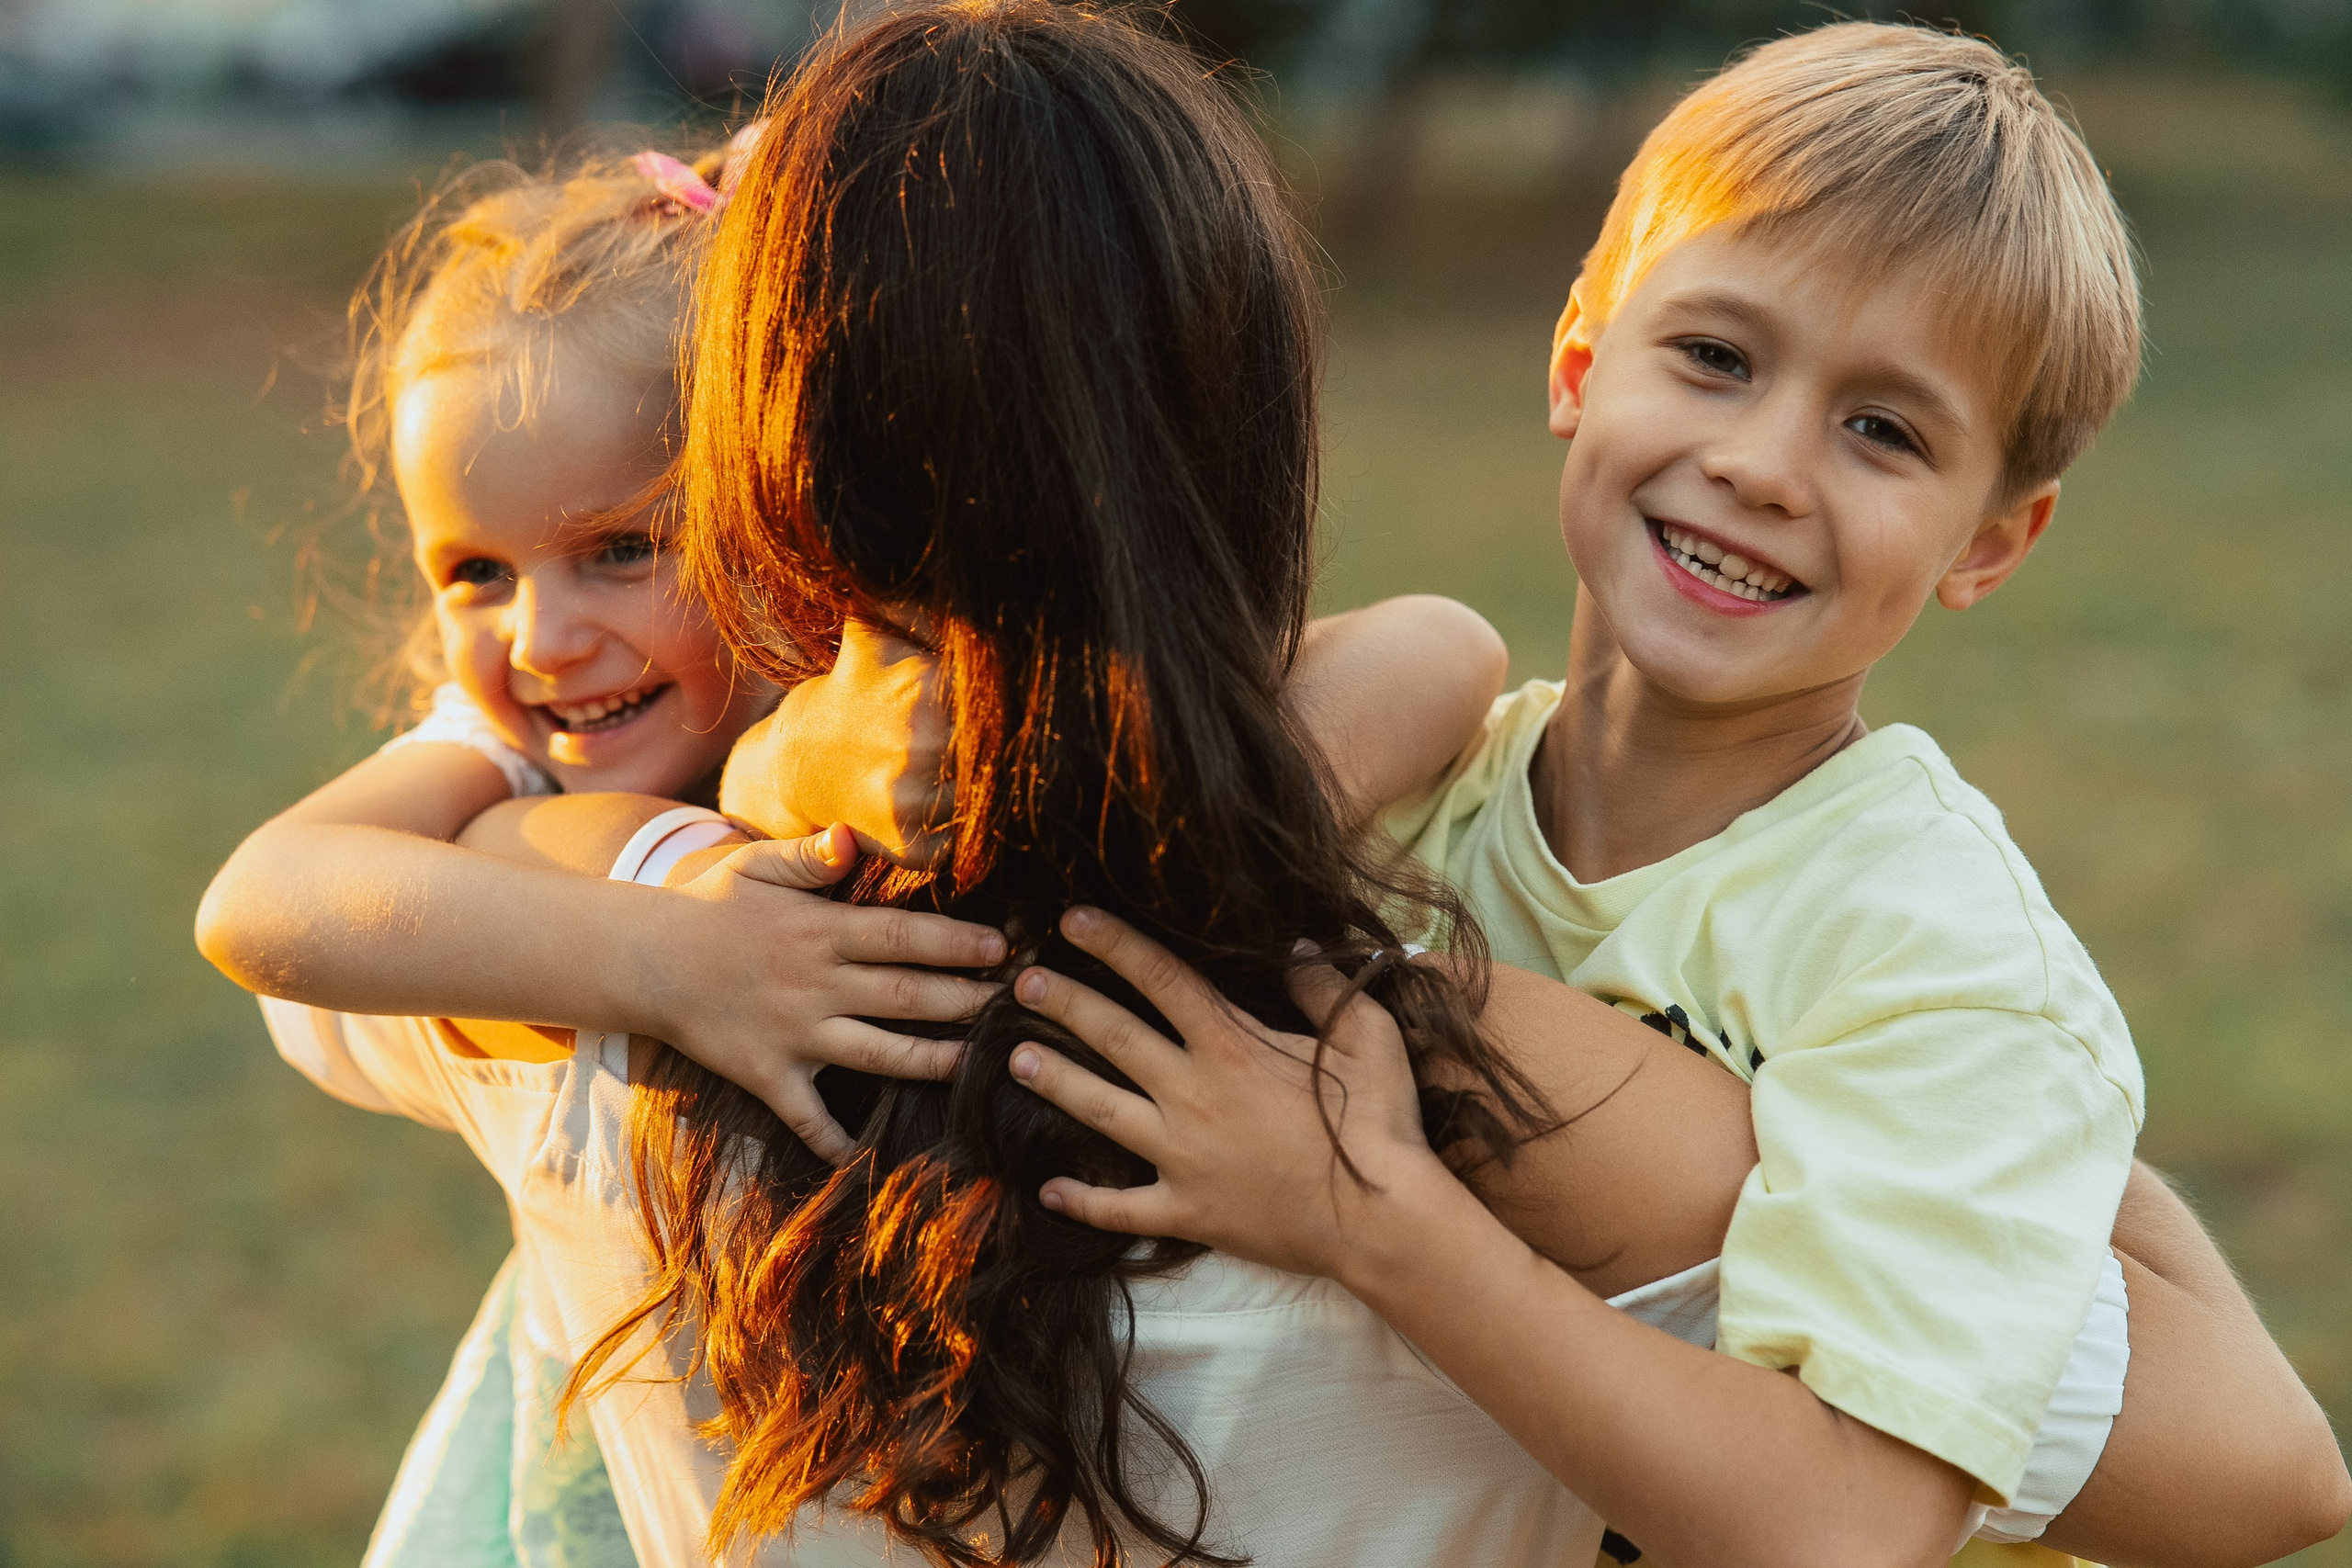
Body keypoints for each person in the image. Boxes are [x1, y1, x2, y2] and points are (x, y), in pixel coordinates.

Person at [1004, 20, 2352, 1568]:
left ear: (1991, 542)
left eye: (1884, 431)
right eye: (1715, 358)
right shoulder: (1409, 797)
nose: (1765, 464)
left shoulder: (1934, 967)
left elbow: (1838, 1530)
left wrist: (1373, 1221)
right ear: (1581, 360)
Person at [193, 136, 1021, 1565]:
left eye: (622, 552)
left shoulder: (895, 710)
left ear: (781, 510)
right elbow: (260, 899)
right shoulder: (504, 751)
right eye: (476, 574)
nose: (541, 639)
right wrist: (670, 958)